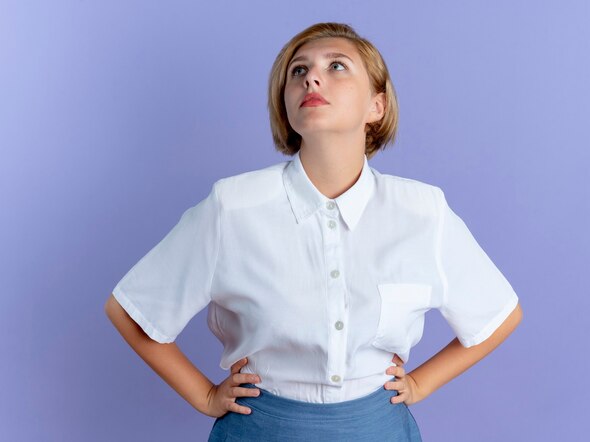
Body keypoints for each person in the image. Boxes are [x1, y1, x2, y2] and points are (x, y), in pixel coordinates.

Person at [104, 22, 523, 441]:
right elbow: (132, 311)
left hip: (378, 428)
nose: (313, 78)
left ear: (376, 106)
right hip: (261, 428)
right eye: (298, 71)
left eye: (337, 66)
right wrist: (204, 396)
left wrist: (421, 383)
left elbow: (498, 315)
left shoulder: (422, 212)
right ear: (285, 103)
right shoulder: (232, 206)